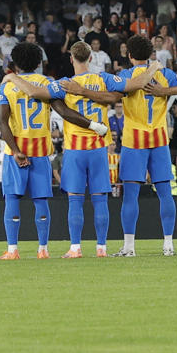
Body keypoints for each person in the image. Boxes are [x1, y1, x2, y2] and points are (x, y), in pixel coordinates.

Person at [103, 33, 177, 256]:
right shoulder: (165, 74)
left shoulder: (125, 76)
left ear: (129, 55)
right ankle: (168, 244)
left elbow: (111, 95)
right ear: (150, 53)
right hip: (159, 141)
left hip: (133, 143)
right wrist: (166, 91)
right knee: (165, 193)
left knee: (130, 196)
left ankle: (129, 247)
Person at [0, 42, 71, 260]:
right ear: (38, 62)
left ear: (15, 63)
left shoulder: (7, 85)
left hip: (15, 152)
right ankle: (43, 250)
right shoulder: (47, 83)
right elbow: (60, 109)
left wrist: (17, 151)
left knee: (12, 199)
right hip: (40, 151)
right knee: (41, 200)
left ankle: (12, 250)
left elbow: (2, 122)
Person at [53, 40, 118, 258]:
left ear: (71, 59)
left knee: (75, 199)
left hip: (75, 148)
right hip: (99, 147)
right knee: (100, 199)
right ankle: (102, 248)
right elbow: (117, 97)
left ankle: (75, 248)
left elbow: (47, 97)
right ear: (91, 58)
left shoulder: (64, 83)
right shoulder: (101, 79)